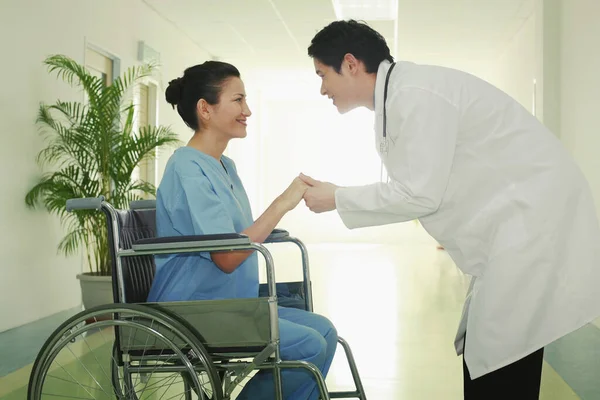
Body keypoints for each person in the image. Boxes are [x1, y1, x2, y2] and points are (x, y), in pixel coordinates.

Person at [299, 19, 600, 399]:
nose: (322, 88)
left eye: (322, 74)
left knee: (500, 350)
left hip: (530, 228)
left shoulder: (417, 94)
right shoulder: (402, 96)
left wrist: (336, 197)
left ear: (351, 63)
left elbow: (420, 194)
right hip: (516, 231)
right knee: (496, 347)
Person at [146, 61, 337, 400]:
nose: (247, 110)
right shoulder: (187, 169)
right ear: (205, 109)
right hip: (196, 309)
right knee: (308, 345)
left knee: (324, 330)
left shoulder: (223, 165)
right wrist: (281, 204)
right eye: (238, 100)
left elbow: (238, 237)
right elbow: (229, 255)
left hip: (231, 303)